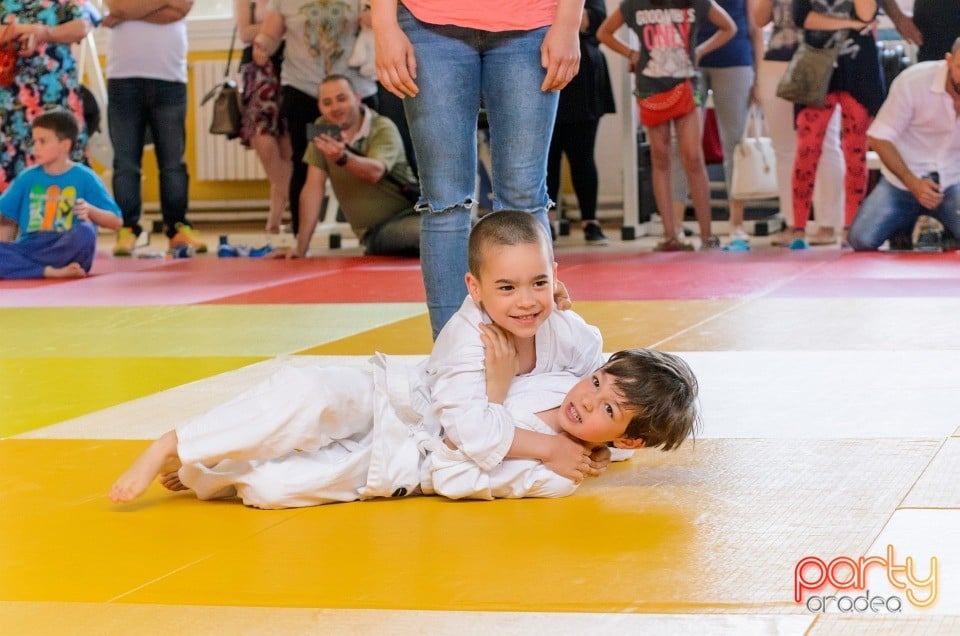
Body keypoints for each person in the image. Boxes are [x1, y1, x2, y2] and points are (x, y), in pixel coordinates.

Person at [108, 346, 699, 507]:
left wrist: (495, 401)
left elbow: (454, 478)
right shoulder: (559, 376)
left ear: (626, 439)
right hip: (400, 392)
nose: (587, 400)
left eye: (608, 411)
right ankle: (175, 441)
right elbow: (571, 335)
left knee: (269, 490)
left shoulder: (558, 474)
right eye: (598, 383)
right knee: (306, 394)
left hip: (401, 464)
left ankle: (207, 464)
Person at [371, 0, 584, 339]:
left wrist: (569, 22)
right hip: (428, 21)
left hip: (531, 20)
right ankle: (453, 357)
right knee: (444, 202)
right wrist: (383, 24)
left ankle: (534, 351)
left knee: (525, 199)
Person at [598, 0, 736, 252]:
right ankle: (670, 235)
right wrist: (631, 54)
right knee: (660, 157)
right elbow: (603, 32)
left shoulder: (697, 2)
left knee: (693, 157)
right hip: (650, 87)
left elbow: (729, 27)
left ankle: (707, 235)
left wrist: (700, 50)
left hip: (685, 84)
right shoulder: (634, 4)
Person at [253, 0, 377, 238]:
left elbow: (382, 20)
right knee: (305, 163)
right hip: (305, 90)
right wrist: (262, 45)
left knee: (366, 157)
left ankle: (377, 228)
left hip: (354, 91)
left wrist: (371, 17)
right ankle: (302, 238)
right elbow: (270, 34)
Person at [777, 0, 885, 250]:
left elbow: (867, 14)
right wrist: (851, 23)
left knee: (855, 151)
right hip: (816, 66)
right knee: (808, 147)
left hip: (857, 68)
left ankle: (850, 227)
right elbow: (805, 19)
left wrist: (860, 23)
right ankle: (800, 227)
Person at [104, 0, 207, 256]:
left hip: (170, 77)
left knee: (173, 162)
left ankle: (178, 227)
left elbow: (181, 8)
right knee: (126, 163)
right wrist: (163, 2)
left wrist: (129, 13)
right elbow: (117, 6)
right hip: (123, 77)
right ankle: (127, 228)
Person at [847, 38, 960, 251]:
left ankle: (944, 232)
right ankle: (905, 226)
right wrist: (912, 182)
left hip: (954, 180)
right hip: (903, 180)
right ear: (948, 60)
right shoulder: (914, 81)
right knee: (861, 239)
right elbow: (879, 137)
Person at [290, 74, 419, 257]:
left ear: (357, 99)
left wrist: (343, 157)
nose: (335, 107)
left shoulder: (381, 126)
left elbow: (375, 171)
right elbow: (313, 188)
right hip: (376, 231)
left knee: (456, 229)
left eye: (341, 99)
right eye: (327, 103)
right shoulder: (322, 130)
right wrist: (301, 249)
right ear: (319, 107)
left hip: (411, 213)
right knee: (433, 234)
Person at [754, 0, 846, 246]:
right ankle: (793, 223)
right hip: (776, 59)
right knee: (784, 149)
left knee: (826, 143)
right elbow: (759, 19)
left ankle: (829, 224)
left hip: (820, 58)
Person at [0, 111, 121, 279]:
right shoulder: (27, 177)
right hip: (32, 246)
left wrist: (91, 210)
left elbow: (116, 222)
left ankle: (26, 269)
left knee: (85, 232)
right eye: (34, 141)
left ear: (65, 145)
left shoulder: (85, 177)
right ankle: (48, 271)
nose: (35, 148)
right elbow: (5, 217)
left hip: (67, 244)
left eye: (42, 142)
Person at [0, 0, 92, 194]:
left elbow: (83, 26)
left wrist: (45, 33)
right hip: (7, 96)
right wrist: (18, 30)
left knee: (59, 158)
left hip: (55, 95)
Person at [546, 0, 617, 246]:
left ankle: (590, 221)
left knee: (583, 155)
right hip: (544, 68)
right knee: (547, 157)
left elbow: (596, 20)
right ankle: (548, 221)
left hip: (583, 76)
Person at [236, 0, 292, 234]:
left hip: (290, 63)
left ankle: (275, 221)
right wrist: (277, 27)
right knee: (263, 141)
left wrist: (269, 28)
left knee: (287, 147)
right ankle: (295, 202)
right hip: (258, 71)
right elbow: (244, 32)